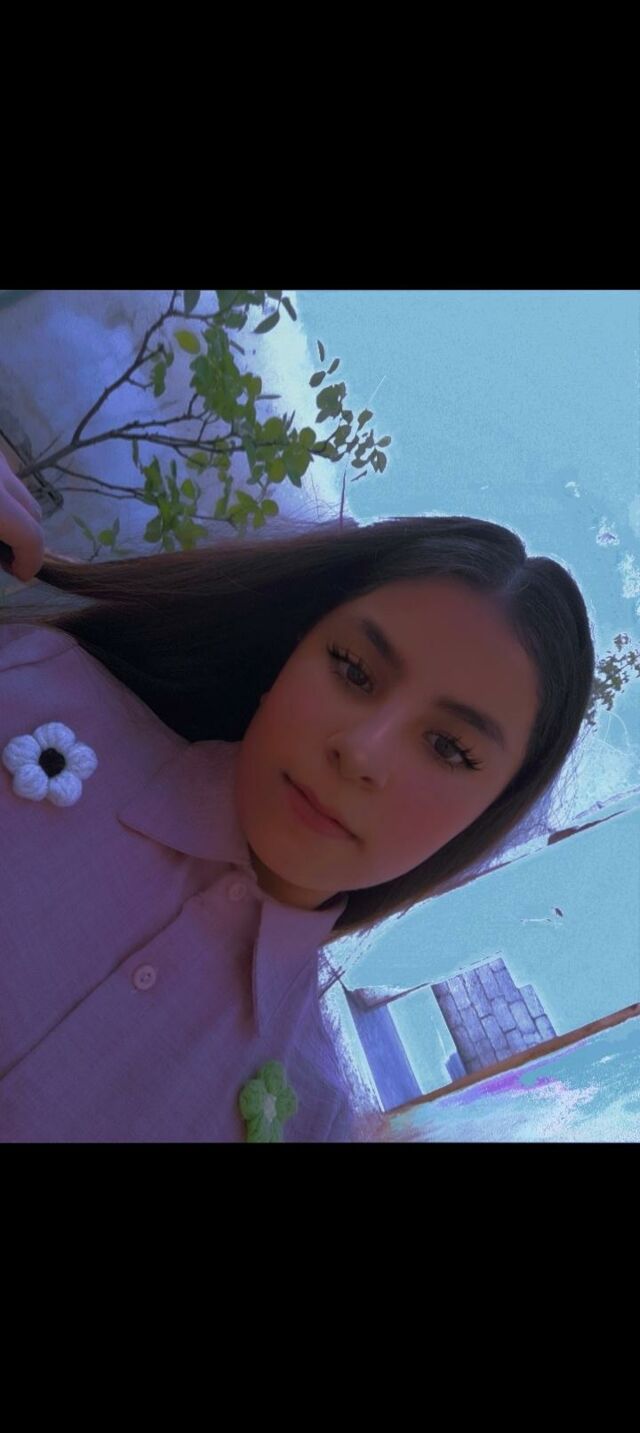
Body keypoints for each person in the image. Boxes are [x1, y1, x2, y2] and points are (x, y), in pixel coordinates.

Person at [0, 452, 596, 1141]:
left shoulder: (312, 1120)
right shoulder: (32, 689)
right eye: (353, 669)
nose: (362, 751)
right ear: (293, 652)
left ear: (481, 822)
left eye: (448, 748)